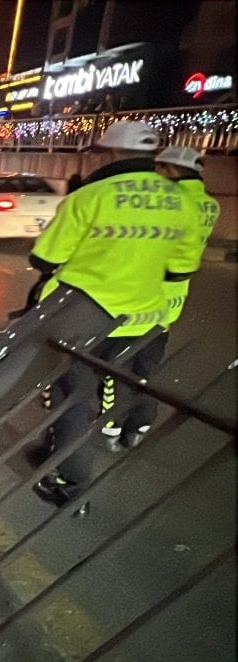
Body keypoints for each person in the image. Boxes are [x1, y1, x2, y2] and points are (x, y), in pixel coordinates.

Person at [27, 121, 200, 511]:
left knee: (73, 399)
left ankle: (70, 484)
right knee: (114, 387)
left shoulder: (91, 196)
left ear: (111, 153)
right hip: (140, 320)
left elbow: (45, 259)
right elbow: (180, 269)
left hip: (81, 316)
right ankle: (68, 451)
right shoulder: (180, 203)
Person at [98, 146, 219, 450]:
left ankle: (111, 428)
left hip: (137, 297)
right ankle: (140, 423)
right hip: (171, 302)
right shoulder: (209, 205)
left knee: (113, 367)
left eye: (157, 167)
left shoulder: (166, 201)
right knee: (146, 367)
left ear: (168, 169)